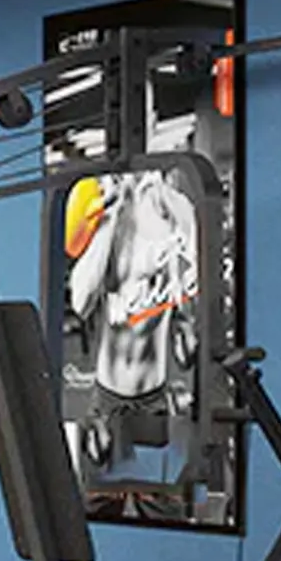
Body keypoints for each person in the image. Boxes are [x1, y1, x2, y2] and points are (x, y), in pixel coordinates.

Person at [67, 166, 201, 476]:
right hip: (107, 397)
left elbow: (193, 278)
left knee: (160, 492)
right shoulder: (112, 221)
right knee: (99, 491)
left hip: (155, 394)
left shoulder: (178, 211)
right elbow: (81, 302)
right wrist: (109, 220)